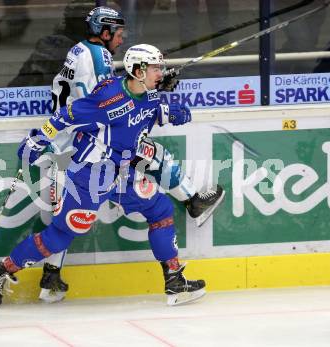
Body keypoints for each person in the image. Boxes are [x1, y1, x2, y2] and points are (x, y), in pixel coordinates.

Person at [0, 44, 223, 308]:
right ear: (138, 71)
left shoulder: (150, 93)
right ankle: (0, 270)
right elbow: (66, 115)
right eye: (155, 68)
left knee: (161, 210)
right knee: (60, 236)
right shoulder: (108, 96)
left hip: (125, 172)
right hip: (89, 177)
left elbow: (147, 111)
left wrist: (172, 113)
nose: (160, 73)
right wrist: (37, 139)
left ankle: (175, 282)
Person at [36, 6, 225, 304]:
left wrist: (154, 85)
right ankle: (192, 201)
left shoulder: (79, 50)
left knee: (70, 215)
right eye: (119, 34)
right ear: (105, 31)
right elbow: (107, 98)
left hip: (65, 144)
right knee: (153, 154)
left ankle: (50, 274)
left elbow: (116, 95)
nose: (121, 40)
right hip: (87, 143)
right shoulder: (99, 57)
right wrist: (154, 93)